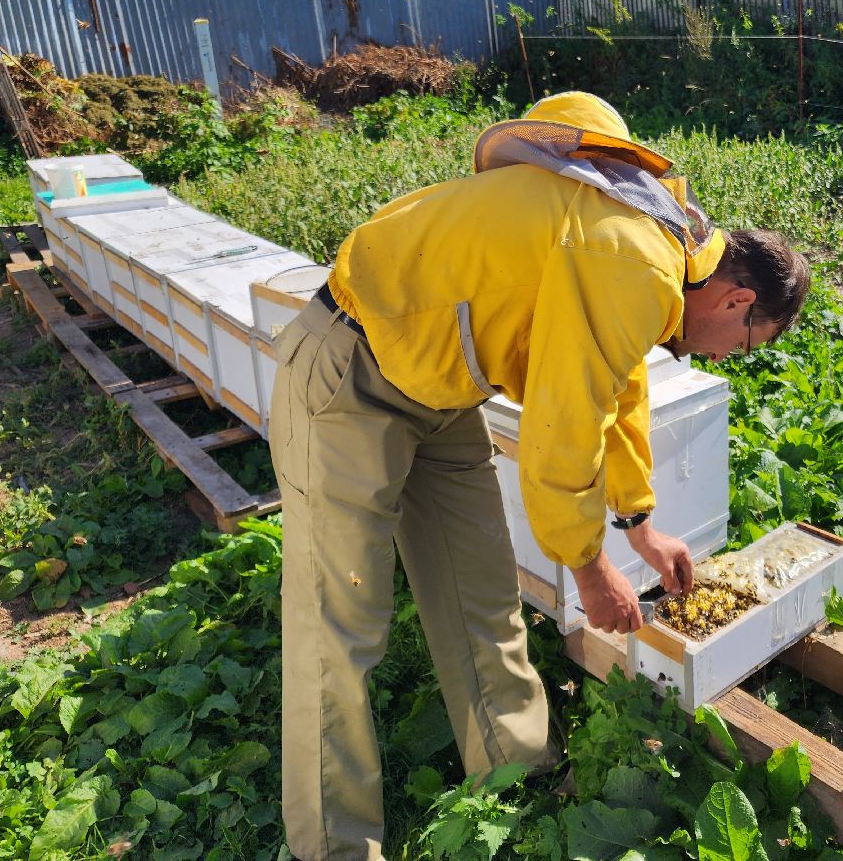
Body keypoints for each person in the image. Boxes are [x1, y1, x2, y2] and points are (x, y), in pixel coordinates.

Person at [270, 91, 811, 861]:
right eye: (746, 343)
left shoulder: (655, 242)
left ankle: (515, 779)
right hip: (351, 370)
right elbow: (565, 420)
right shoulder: (638, 254)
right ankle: (333, 846)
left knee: (482, 593)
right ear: (737, 298)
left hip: (439, 391)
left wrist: (639, 524)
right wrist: (589, 569)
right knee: (340, 621)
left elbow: (617, 385)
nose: (728, 356)